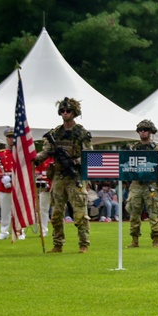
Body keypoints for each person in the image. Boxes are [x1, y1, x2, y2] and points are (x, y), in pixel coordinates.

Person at [34, 97, 92, 253]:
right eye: (63, 111)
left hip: (75, 177)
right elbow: (46, 151)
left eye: (68, 111)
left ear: (75, 113)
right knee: (56, 213)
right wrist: (35, 160)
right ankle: (58, 244)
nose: (65, 113)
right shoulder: (55, 133)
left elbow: (90, 154)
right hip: (59, 176)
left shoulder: (81, 133)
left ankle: (83, 244)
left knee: (80, 212)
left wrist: (75, 161)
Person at [126, 119, 158, 248]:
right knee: (134, 213)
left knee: (154, 213)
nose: (143, 132)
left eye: (146, 130)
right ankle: (134, 240)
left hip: (151, 184)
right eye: (141, 130)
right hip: (137, 184)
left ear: (151, 132)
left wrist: (150, 170)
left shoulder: (157, 148)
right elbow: (126, 165)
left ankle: (156, 240)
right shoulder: (133, 148)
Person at [0, 127, 25, 240]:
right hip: (4, 184)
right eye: (9, 137)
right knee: (5, 210)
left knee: (18, 209)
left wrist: (13, 177)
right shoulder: (1, 153)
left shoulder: (21, 153)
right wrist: (3, 177)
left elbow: (24, 168)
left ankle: (20, 231)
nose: (11, 139)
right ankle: (4, 231)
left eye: (13, 137)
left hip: (18, 184)